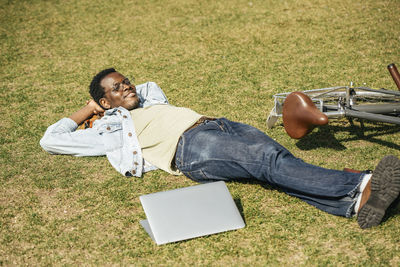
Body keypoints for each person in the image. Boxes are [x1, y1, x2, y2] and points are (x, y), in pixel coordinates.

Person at [40, 68, 400, 229]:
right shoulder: (109, 129)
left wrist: (122, 96)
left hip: (218, 124)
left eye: (125, 81)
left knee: (275, 164)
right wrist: (91, 110)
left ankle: (351, 205)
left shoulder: (148, 98)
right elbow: (51, 139)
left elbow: (148, 85)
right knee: (265, 159)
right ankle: (361, 185)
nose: (128, 87)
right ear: (104, 100)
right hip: (190, 148)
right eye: (117, 88)